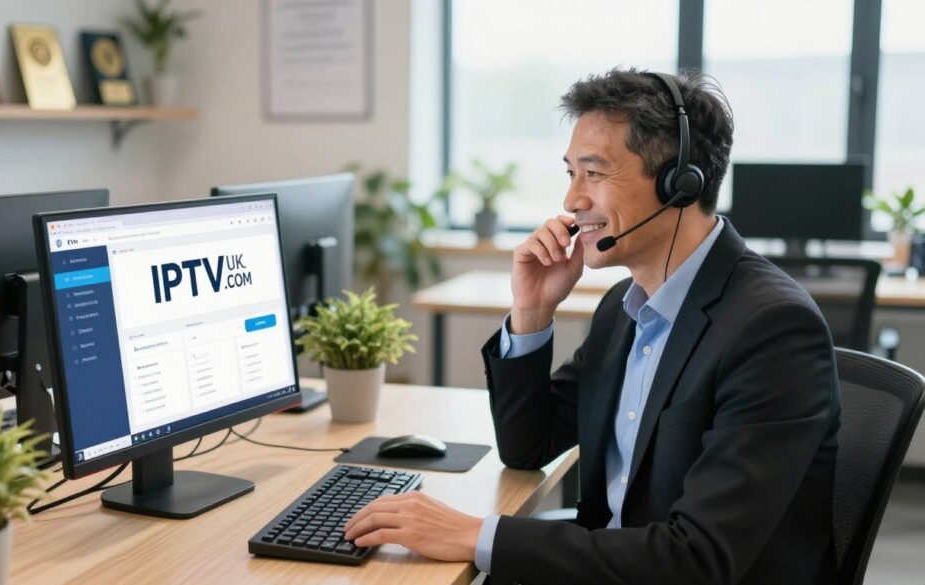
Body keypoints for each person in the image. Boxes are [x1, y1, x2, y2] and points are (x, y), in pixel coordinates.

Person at [345, 68, 840, 585]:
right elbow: (528, 448)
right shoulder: (623, 309)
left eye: (594, 174)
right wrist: (532, 312)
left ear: (680, 183)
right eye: (570, 174)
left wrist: (475, 535)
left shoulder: (772, 330)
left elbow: (699, 559)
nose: (572, 201)